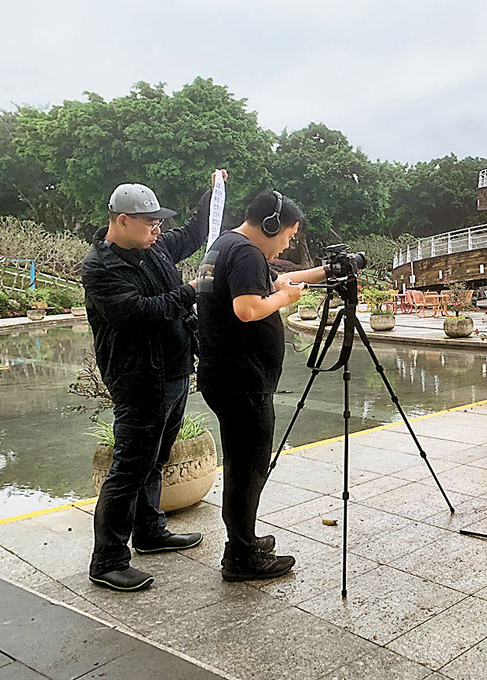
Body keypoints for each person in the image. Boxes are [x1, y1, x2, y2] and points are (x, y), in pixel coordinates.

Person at [82, 172, 224, 591]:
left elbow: (197, 233)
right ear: (122, 220)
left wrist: (213, 193)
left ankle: (150, 531)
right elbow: (136, 313)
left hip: (174, 371)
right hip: (138, 378)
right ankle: (107, 559)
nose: (157, 230)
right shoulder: (100, 267)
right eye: (149, 223)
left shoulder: (155, 245)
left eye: (159, 222)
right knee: (129, 467)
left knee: (157, 457)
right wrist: (191, 291)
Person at [197, 190, 328, 582]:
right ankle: (240, 555)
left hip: (226, 376)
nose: (288, 244)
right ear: (270, 225)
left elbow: (280, 279)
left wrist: (325, 273)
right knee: (247, 468)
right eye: (288, 235)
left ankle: (244, 539)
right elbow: (248, 307)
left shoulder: (228, 246)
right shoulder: (246, 253)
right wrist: (285, 299)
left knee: (243, 463)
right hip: (242, 380)